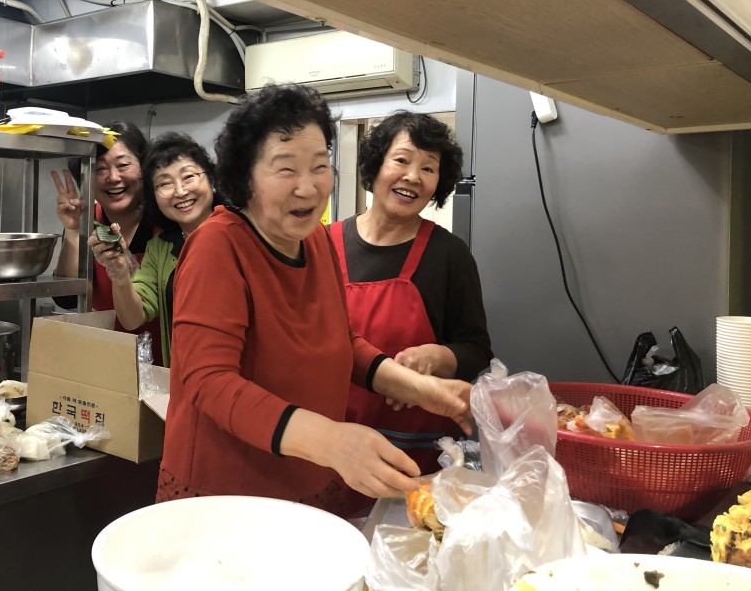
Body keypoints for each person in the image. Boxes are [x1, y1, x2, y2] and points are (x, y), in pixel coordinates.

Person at [156, 83, 473, 516]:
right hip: (229, 495)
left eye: (320, 165)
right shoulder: (218, 245)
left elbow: (344, 342)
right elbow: (210, 381)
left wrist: (423, 390)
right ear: (244, 176)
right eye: (285, 169)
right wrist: (330, 440)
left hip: (311, 482)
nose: (308, 188)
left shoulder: (317, 241)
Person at [330, 111, 492, 511]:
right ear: (376, 165)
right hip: (332, 449)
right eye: (401, 160)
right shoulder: (322, 245)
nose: (413, 176)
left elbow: (477, 349)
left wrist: (438, 356)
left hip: (416, 463)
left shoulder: (449, 255)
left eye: (428, 168)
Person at [91, 132, 217, 368]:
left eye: (188, 177)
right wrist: (119, 273)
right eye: (165, 184)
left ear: (210, 179)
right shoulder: (161, 247)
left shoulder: (240, 231)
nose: (180, 191)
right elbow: (133, 318)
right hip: (185, 376)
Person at [50, 121, 161, 353]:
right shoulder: (89, 220)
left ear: (144, 167)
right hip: (108, 358)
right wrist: (74, 230)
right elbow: (67, 299)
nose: (113, 177)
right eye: (100, 169)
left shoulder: (164, 222)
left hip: (168, 363)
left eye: (123, 165)